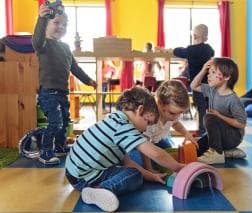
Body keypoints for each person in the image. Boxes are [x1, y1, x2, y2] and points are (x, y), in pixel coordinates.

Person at [65, 86, 185, 212]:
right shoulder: (124, 127)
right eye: (147, 122)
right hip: (84, 178)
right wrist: (178, 167)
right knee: (134, 175)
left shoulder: (115, 119)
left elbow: (127, 162)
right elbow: (155, 153)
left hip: (74, 172)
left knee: (133, 171)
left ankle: (98, 189)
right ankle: (101, 189)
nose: (145, 129)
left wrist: (150, 176)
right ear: (140, 110)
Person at [32, 4, 97, 165]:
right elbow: (37, 39)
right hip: (48, 93)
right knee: (55, 122)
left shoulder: (66, 47)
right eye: (56, 23)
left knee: (65, 121)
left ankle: (60, 147)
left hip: (62, 93)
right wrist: (41, 18)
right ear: (46, 25)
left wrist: (88, 80)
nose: (61, 27)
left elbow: (75, 68)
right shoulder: (43, 44)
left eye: (64, 24)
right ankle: (45, 151)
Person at [131, 80, 197, 171]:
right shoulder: (149, 118)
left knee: (168, 153)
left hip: (155, 140)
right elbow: (145, 146)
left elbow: (176, 123)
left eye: (180, 113)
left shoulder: (172, 115)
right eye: (173, 113)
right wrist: (149, 169)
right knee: (141, 164)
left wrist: (186, 133)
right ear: (160, 103)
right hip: (138, 146)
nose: (176, 117)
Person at [190, 57, 247, 164]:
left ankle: (217, 154)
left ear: (226, 77)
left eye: (213, 72)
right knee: (195, 149)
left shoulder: (233, 100)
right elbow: (193, 86)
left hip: (233, 137)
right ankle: (226, 152)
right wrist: (203, 70)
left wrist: (219, 115)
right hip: (217, 136)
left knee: (210, 117)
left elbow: (241, 124)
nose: (208, 75)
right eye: (209, 72)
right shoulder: (212, 90)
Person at [173, 24, 214, 136]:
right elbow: (211, 53)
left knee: (201, 109)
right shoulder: (209, 49)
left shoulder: (191, 50)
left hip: (197, 84)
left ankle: (203, 132)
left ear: (194, 36)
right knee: (206, 108)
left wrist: (173, 49)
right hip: (208, 84)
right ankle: (208, 130)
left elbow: (178, 51)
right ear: (206, 37)